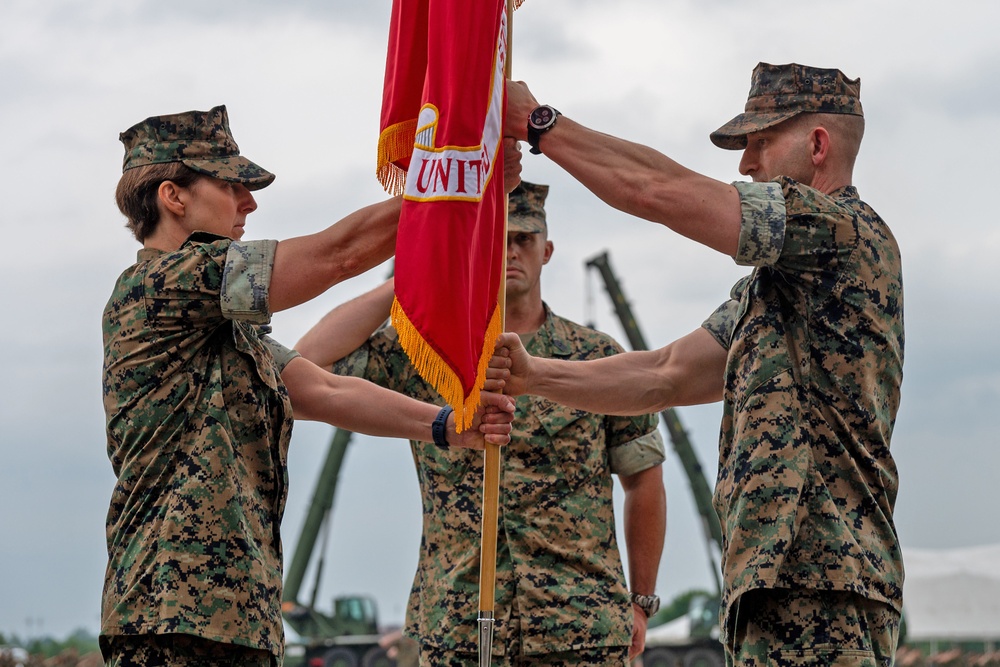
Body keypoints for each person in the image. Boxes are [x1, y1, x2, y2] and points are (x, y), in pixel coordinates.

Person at [491, 63, 905, 667]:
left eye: (761, 141)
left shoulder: (842, 233)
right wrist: (536, 377)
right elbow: (666, 374)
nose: (746, 164)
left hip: (826, 588)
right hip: (780, 589)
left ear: (818, 145)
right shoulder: (778, 289)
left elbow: (657, 191)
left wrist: (540, 125)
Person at [101, 104, 516, 667]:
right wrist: (458, 188)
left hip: (227, 617)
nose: (248, 202)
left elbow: (325, 392)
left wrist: (446, 425)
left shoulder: (221, 331)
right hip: (171, 615)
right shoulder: (160, 284)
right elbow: (335, 255)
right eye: (230, 184)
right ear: (173, 195)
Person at [295, 181, 667, 666]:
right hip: (457, 624)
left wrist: (641, 600)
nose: (510, 252)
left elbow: (644, 478)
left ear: (546, 250)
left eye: (524, 240)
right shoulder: (428, 354)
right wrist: (414, 277)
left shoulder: (596, 358)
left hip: (578, 624)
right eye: (495, 241)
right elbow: (309, 364)